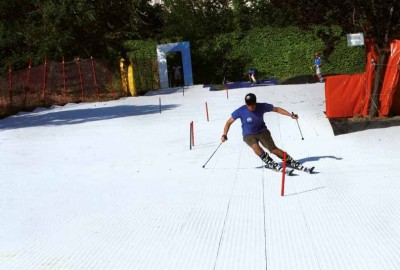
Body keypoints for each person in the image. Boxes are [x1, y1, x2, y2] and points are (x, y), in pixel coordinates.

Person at [221, 93, 300, 170]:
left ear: (255, 102)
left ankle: (291, 161)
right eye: (249, 105)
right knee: (255, 147)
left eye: (253, 105)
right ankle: (270, 162)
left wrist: (290, 115)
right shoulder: (240, 110)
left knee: (273, 150)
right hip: (248, 134)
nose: (251, 107)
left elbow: (277, 109)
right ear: (246, 103)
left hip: (262, 131)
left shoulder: (261, 106)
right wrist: (224, 134)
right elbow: (228, 122)